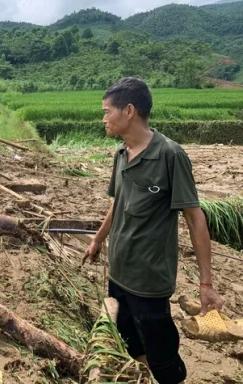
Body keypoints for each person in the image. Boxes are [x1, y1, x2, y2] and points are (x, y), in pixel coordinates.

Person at [84, 77, 224, 384]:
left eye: (108, 111)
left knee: (162, 356)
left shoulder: (170, 155)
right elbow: (118, 203)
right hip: (118, 272)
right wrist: (98, 239)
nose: (103, 118)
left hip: (148, 281)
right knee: (131, 344)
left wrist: (206, 282)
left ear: (129, 110)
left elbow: (194, 218)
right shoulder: (121, 156)